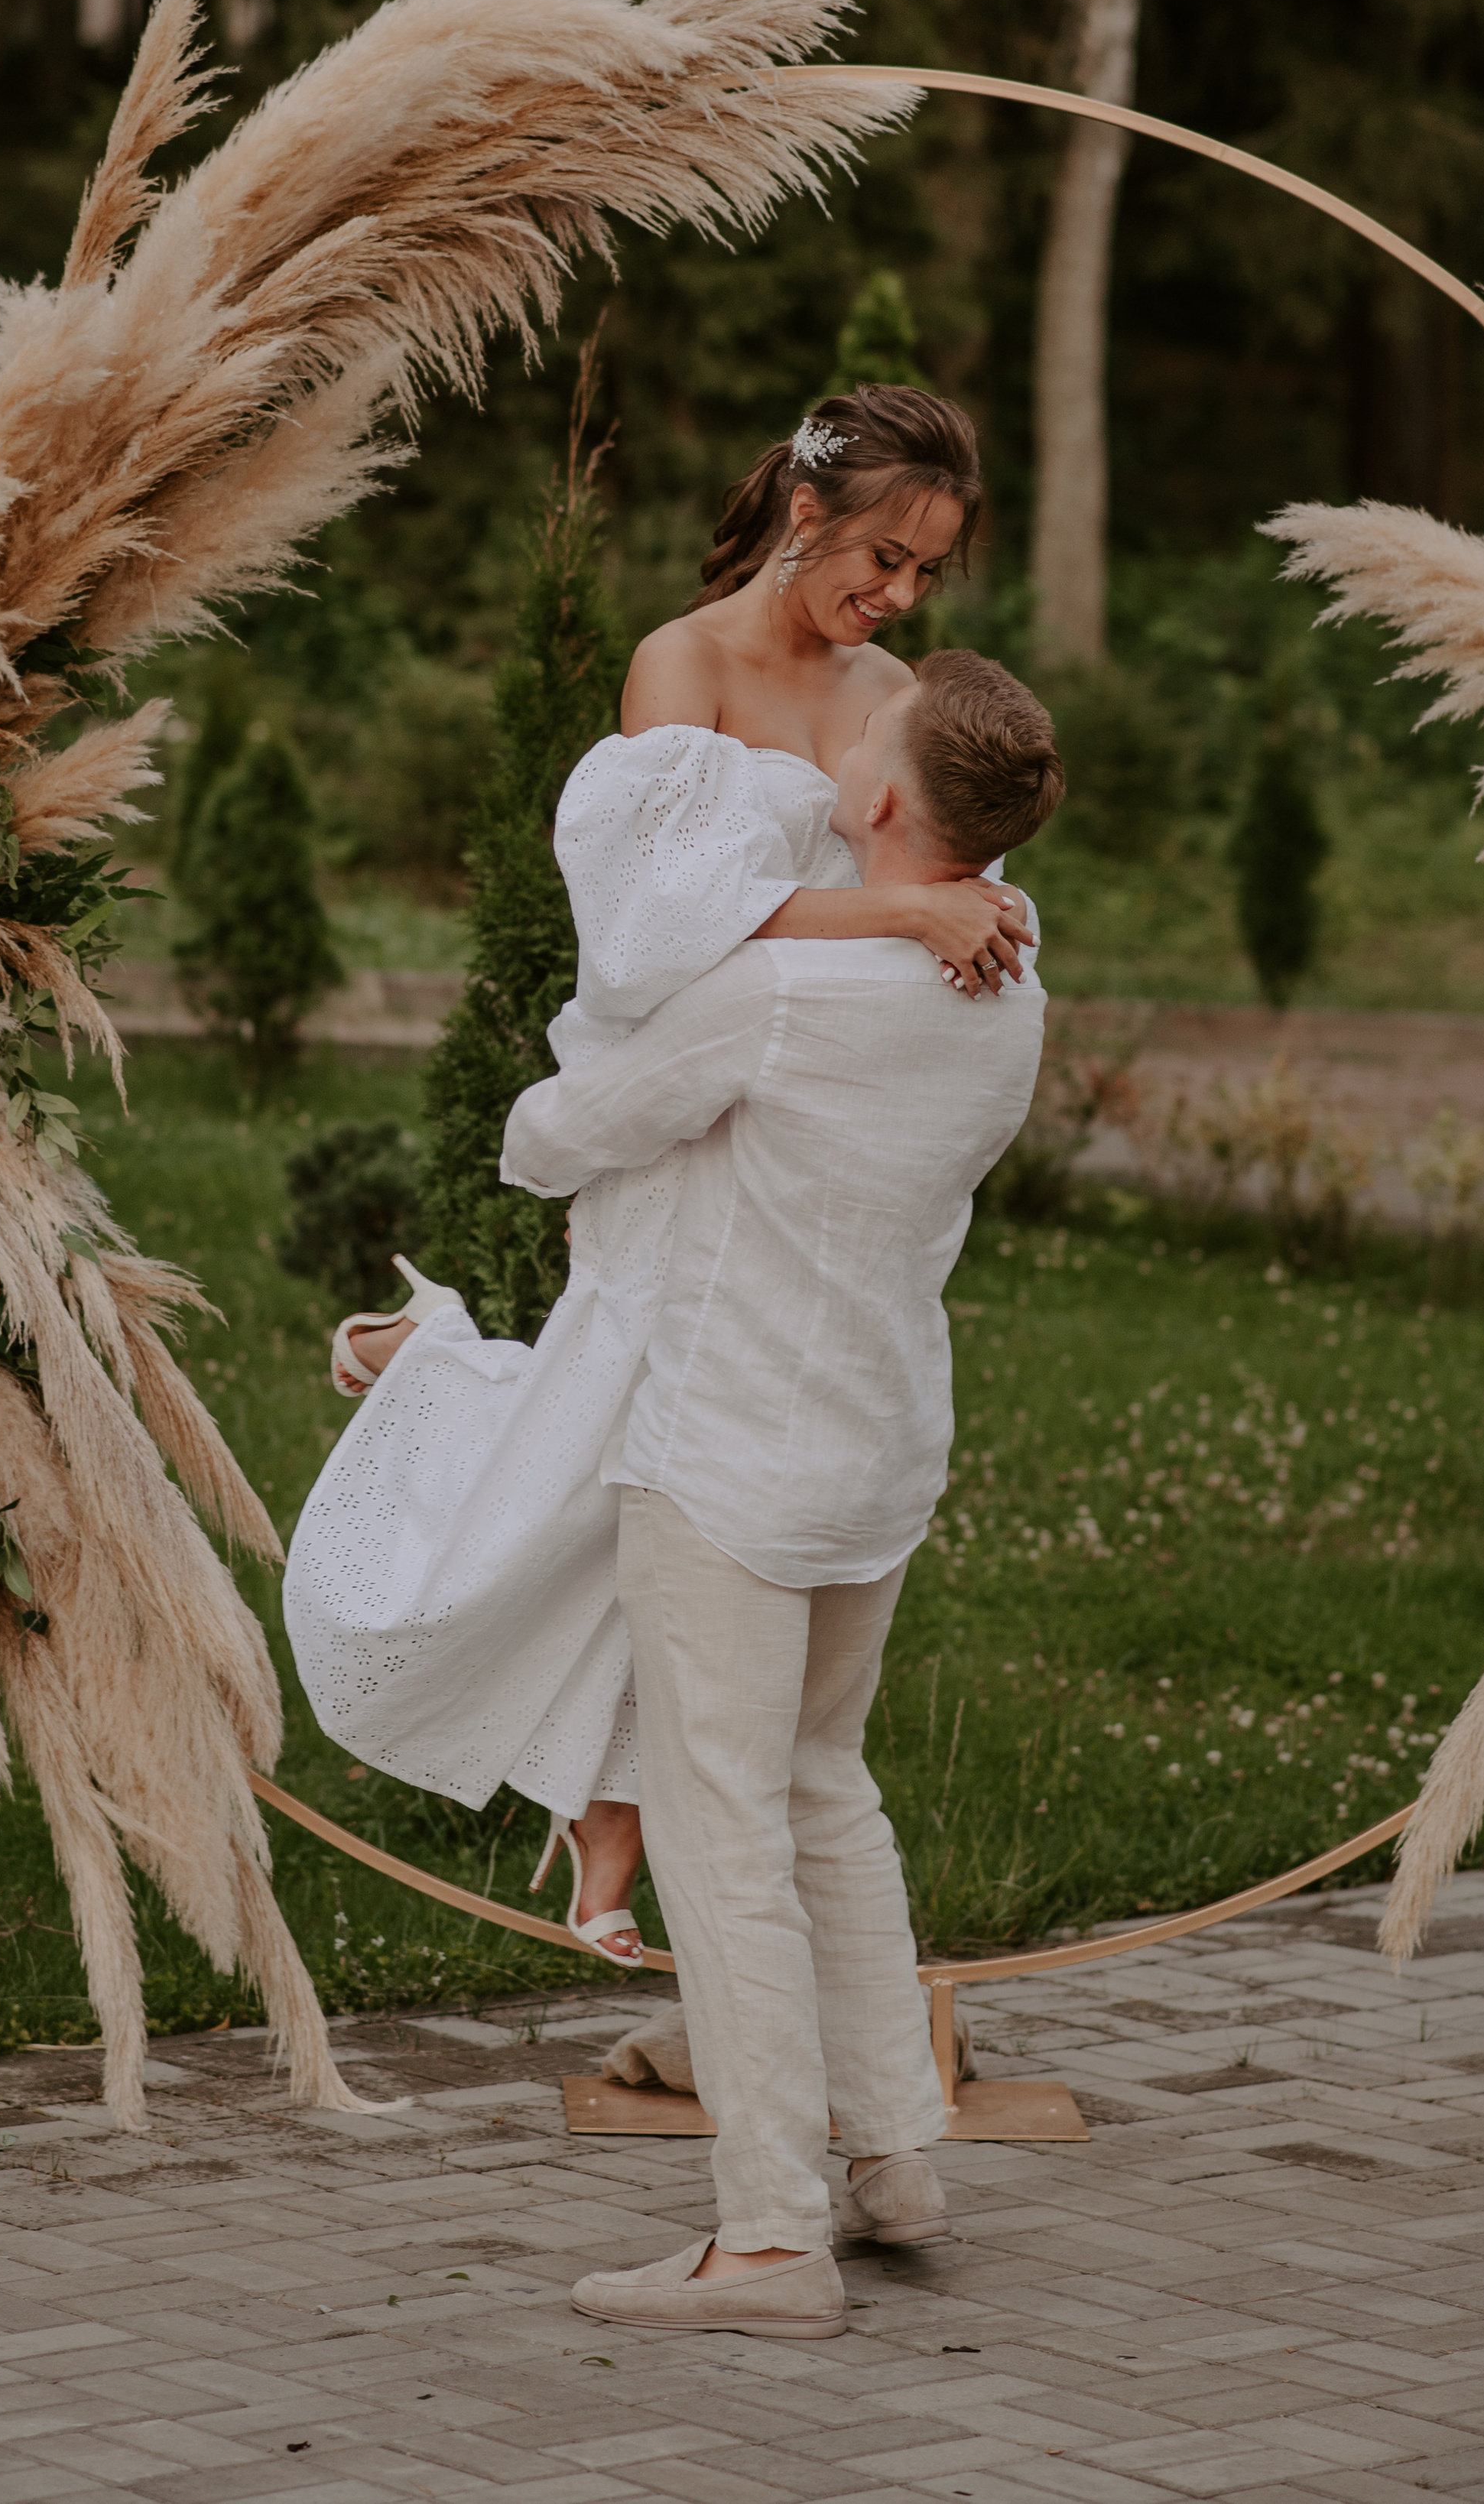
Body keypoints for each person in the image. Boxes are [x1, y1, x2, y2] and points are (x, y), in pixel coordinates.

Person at [283, 388, 1036, 1965]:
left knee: (689, 1475)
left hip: (799, 1145)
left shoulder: (894, 690)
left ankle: (603, 1811)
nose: (895, 597)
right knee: (634, 1450)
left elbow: (931, 862)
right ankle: (444, 1398)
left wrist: (973, 915)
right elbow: (651, 941)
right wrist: (899, 923)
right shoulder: (679, 666)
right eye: (881, 555)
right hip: (677, 1105)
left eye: (925, 573)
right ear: (808, 511)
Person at [496, 653, 1062, 2337]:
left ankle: (765, 2238)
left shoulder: (780, 995)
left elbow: (552, 1135)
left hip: (729, 1452)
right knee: (827, 1784)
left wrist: (571, 1087)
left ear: (879, 799)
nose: (831, 752)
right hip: (877, 1445)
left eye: (858, 744)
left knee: (721, 1822)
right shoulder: (1015, 976)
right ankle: (895, 2153)